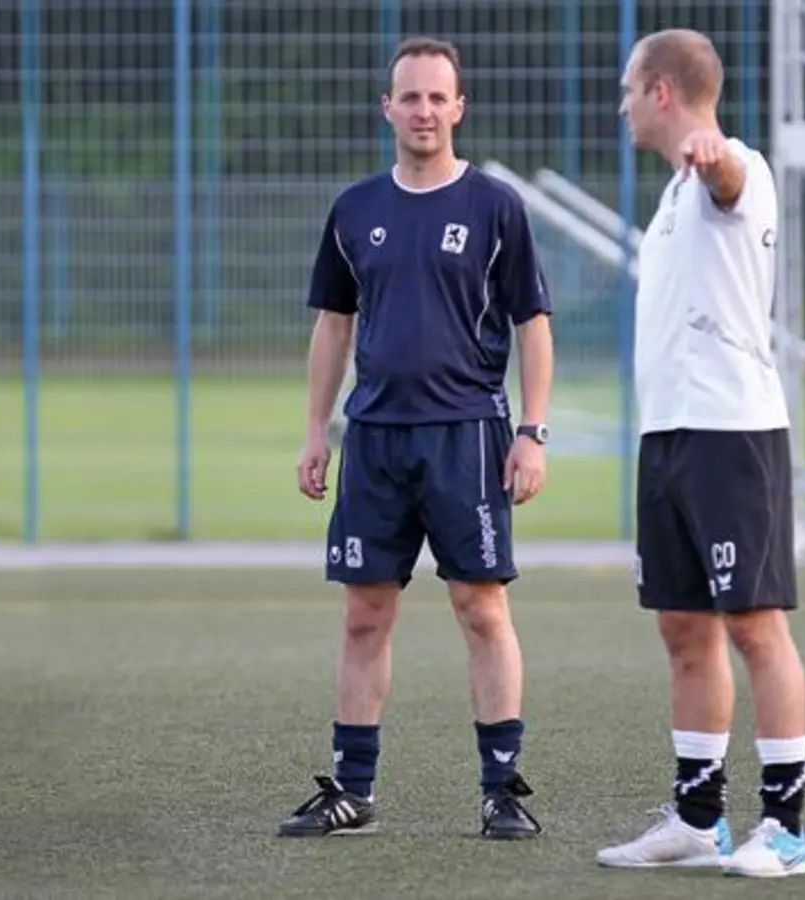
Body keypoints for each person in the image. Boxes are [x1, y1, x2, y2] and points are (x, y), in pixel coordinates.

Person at [278, 36, 556, 842]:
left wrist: (532, 431)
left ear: (459, 107)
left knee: (480, 607)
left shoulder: (497, 207)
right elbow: (334, 327)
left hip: (467, 435)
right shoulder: (355, 209)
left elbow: (532, 325)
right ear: (387, 108)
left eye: (439, 97)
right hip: (373, 439)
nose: (424, 110)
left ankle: (502, 791)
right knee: (364, 615)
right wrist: (314, 432)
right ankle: (353, 792)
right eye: (411, 97)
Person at [593, 29, 805, 878]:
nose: (620, 105)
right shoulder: (669, 197)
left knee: (755, 627)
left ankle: (786, 831)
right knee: (682, 626)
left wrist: (714, 153)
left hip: (732, 435)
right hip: (669, 435)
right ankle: (697, 818)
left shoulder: (736, 171)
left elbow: (728, 182)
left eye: (627, 88)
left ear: (660, 91)